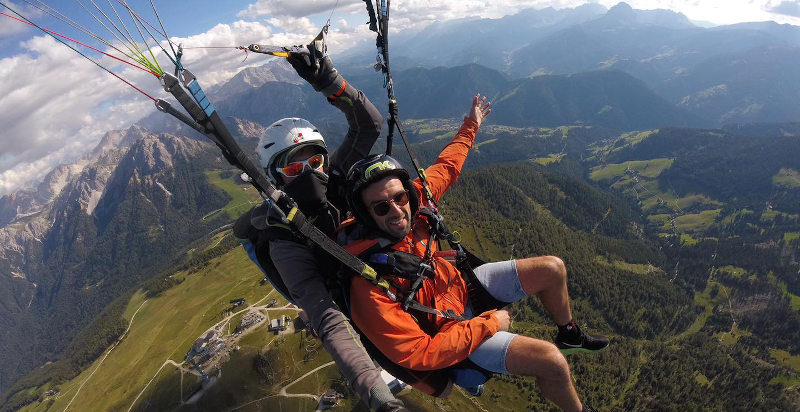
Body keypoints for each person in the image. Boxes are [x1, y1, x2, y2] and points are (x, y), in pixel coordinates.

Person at [339, 95, 608, 411]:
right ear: (366, 215)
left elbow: (448, 165)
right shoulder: (367, 284)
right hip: (449, 332)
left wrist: (472, 124)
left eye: (399, 198)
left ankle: (570, 334)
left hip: (459, 287)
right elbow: (418, 353)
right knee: (552, 362)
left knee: (552, 268)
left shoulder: (416, 202)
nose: (397, 211)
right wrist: (491, 323)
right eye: (382, 207)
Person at [233, 42, 407, 412]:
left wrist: (329, 81)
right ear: (276, 177)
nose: (310, 173)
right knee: (346, 318)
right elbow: (325, 314)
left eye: (314, 161)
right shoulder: (283, 234)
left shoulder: (337, 178)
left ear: (326, 160)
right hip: (333, 288)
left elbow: (368, 125)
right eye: (294, 169)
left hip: (362, 264)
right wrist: (375, 392)